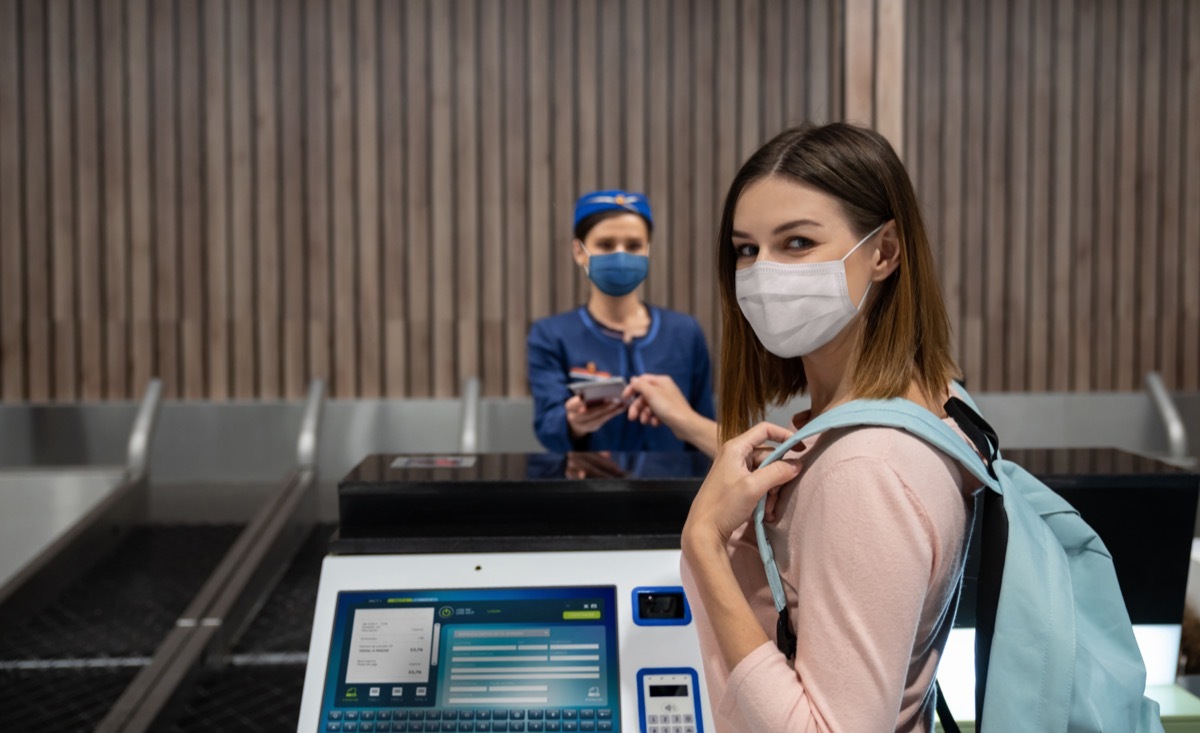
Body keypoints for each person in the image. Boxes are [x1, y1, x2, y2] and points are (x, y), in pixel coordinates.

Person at [680, 122, 977, 731]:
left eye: (796, 243)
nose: (763, 273)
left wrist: (704, 543)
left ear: (884, 251)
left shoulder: (862, 467)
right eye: (746, 249)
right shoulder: (936, 405)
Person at [527, 189, 718, 456]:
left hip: (676, 489)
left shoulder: (684, 332)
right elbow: (548, 427)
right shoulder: (552, 335)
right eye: (605, 245)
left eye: (633, 246)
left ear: (647, 249)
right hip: (588, 488)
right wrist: (572, 423)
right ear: (579, 251)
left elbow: (704, 421)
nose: (620, 255)